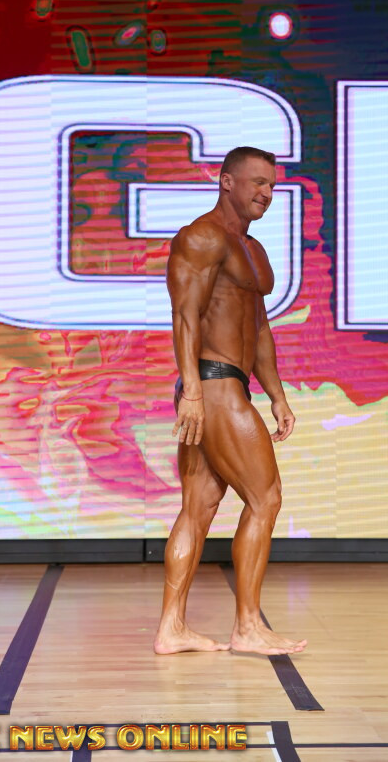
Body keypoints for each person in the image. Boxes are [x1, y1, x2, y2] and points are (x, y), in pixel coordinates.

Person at [153, 146, 306, 656]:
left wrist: (277, 396)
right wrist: (193, 392)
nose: (266, 192)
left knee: (197, 509)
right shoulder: (202, 236)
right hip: (212, 387)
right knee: (266, 498)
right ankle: (248, 627)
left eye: (272, 185)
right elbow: (184, 315)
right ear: (226, 181)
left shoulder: (252, 249)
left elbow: (258, 328)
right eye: (257, 182)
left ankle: (172, 628)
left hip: (227, 385)